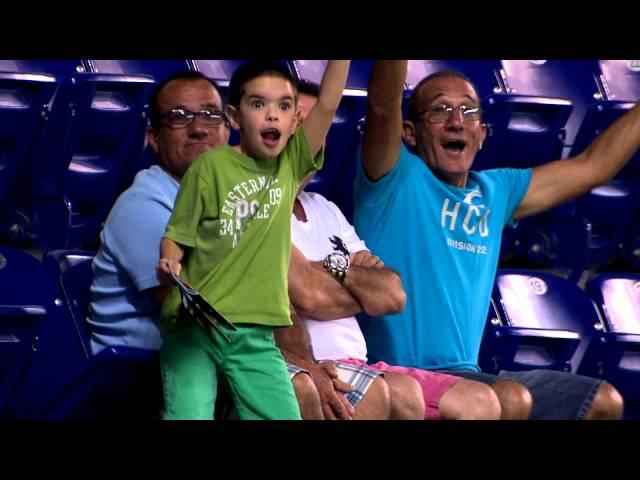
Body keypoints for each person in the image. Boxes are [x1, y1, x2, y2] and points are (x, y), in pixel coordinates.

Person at [353, 60, 630, 420]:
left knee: (603, 402)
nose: (456, 121)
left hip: (469, 376)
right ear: (410, 132)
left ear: (482, 134)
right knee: (508, 399)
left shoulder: (497, 190)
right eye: (440, 109)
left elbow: (596, 165)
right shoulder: (395, 176)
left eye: (468, 111)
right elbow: (381, 105)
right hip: (396, 377)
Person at [278, 80, 507, 420]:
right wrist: (356, 285)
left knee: (481, 402)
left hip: (360, 361)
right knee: (390, 392)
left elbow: (392, 295)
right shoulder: (256, 204)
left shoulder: (325, 208)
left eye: (319, 128)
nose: (311, 140)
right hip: (313, 363)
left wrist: (329, 266)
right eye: (302, 126)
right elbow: (313, 297)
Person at [157, 61, 350, 420]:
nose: (272, 115)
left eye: (284, 106)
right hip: (196, 329)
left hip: (257, 337)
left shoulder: (291, 165)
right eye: (258, 104)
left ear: (296, 121)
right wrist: (169, 262)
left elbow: (327, 104)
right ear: (233, 116)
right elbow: (175, 237)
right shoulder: (209, 168)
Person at [88, 71, 230, 355]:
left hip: (210, 360)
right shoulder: (140, 206)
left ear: (227, 130)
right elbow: (199, 309)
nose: (198, 128)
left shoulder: (235, 197)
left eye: (211, 115)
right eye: (179, 116)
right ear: (154, 138)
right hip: (137, 374)